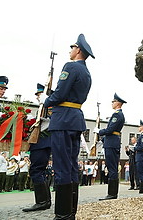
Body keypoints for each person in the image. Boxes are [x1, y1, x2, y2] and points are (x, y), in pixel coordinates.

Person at [43, 34, 94, 219]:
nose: (70, 50)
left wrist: (46, 101)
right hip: (75, 119)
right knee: (71, 166)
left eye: (72, 47)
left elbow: (60, 94)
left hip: (63, 119)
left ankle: (63, 214)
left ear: (78, 50)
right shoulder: (86, 72)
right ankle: (71, 211)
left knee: (62, 166)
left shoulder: (70, 66)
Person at [23, 83, 52, 212]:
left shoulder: (48, 106)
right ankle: (45, 201)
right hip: (40, 142)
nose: (37, 98)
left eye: (39, 95)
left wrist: (34, 121)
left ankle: (42, 202)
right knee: (38, 170)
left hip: (42, 142)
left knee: (36, 170)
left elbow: (48, 123)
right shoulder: (42, 107)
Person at [95, 93, 126, 200]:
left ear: (118, 103)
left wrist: (100, 131)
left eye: (113, 101)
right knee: (111, 167)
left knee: (112, 168)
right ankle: (112, 193)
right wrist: (102, 140)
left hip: (112, 144)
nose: (112, 103)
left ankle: (112, 194)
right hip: (111, 142)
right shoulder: (117, 114)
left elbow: (110, 130)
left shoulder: (117, 115)